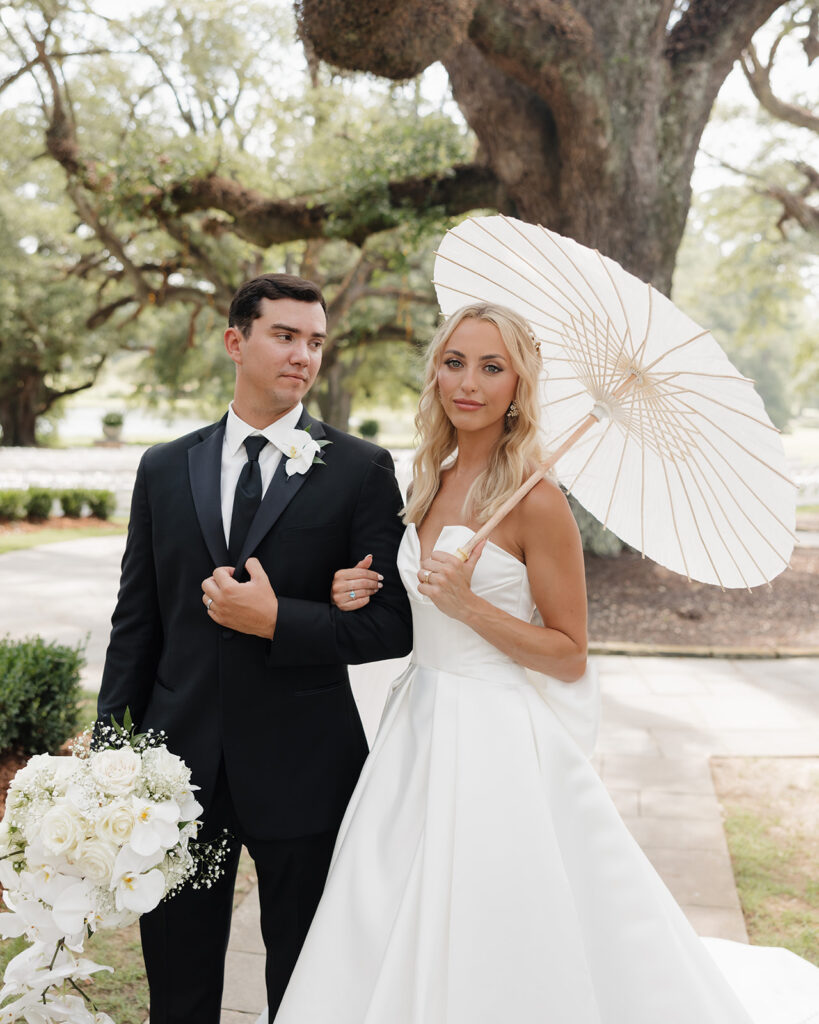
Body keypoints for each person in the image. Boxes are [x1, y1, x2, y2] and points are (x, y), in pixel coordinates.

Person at [271, 301, 819, 1023]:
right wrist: (355, 590)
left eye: (492, 367)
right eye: (455, 361)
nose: (468, 382)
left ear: (518, 387)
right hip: (416, 725)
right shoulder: (428, 477)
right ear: (435, 370)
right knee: (384, 901)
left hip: (494, 739)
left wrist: (473, 607)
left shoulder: (537, 502)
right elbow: (417, 611)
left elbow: (567, 654)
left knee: (487, 914)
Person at [95, 272, 413, 1023]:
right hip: (176, 769)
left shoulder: (362, 471)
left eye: (315, 342)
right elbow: (136, 618)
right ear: (236, 342)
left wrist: (279, 620)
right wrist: (114, 747)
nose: (303, 355)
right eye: (285, 335)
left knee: (306, 980)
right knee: (177, 977)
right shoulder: (164, 467)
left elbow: (391, 626)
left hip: (306, 765)